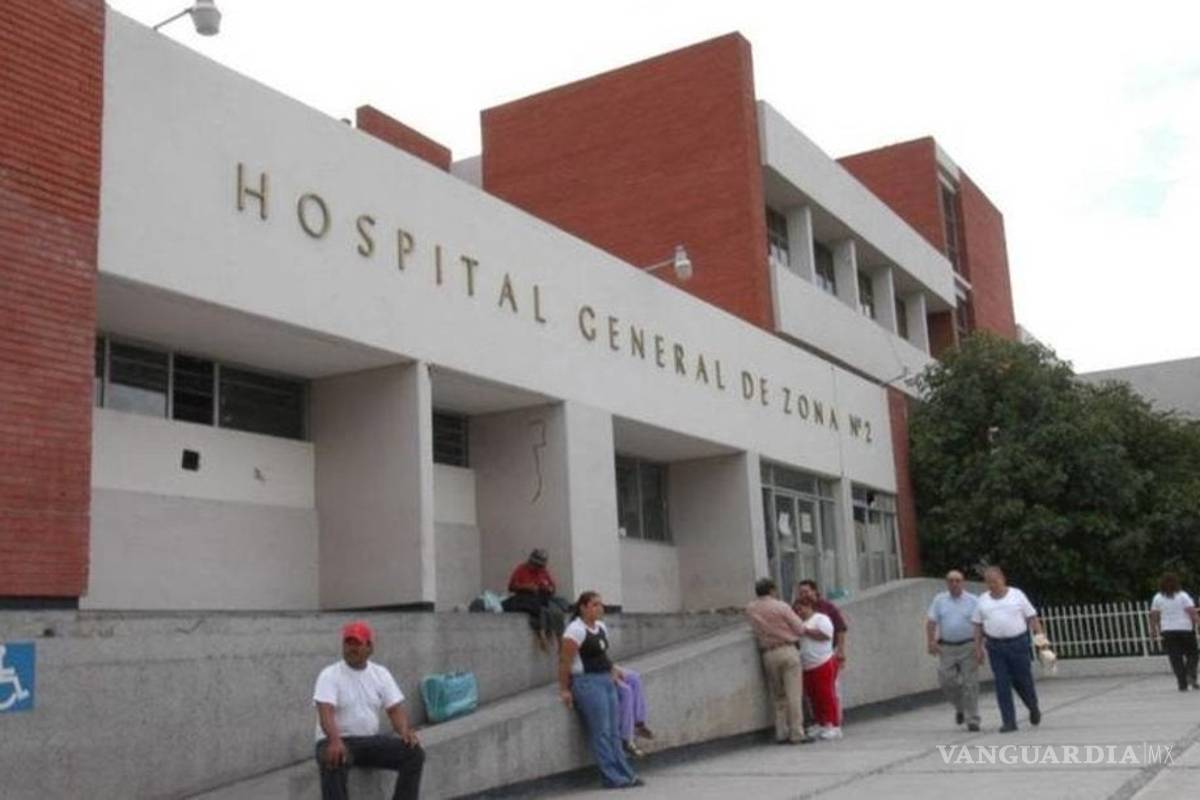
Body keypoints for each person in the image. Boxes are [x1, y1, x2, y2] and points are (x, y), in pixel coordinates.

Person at [312, 621, 425, 800]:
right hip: (336, 740)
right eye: (348, 643)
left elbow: (394, 710)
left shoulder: (380, 674)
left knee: (414, 754)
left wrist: (405, 731)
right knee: (333, 759)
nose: (351, 648)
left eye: (357, 643)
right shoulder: (329, 674)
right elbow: (325, 712)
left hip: (368, 742)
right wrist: (334, 740)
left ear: (370, 647)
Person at [557, 591, 644, 789]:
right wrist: (564, 689)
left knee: (613, 731)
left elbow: (601, 655)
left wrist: (612, 669)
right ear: (583, 607)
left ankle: (626, 773)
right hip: (587, 682)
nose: (600, 608)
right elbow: (564, 662)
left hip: (605, 679)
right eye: (595, 605)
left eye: (601, 604)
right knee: (601, 731)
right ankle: (611, 776)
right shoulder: (575, 630)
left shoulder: (601, 627)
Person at [971, 566, 1048, 733]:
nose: (992, 585)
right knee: (1002, 684)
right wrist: (977, 648)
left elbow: (1032, 619)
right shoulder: (982, 600)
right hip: (995, 646)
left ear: (1003, 579)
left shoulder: (1017, 595)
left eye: (995, 581)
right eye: (988, 582)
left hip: (1017, 644)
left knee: (1023, 681)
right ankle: (1009, 721)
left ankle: (1032, 706)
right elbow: (977, 625)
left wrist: (1041, 642)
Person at [745, 577, 813, 745]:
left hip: (767, 654)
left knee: (778, 696)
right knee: (794, 695)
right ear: (772, 590)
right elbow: (800, 628)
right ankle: (797, 733)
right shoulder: (781, 606)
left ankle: (781, 733)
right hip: (787, 650)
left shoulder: (751, 609)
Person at [925, 570, 981, 731]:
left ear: (963, 582)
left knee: (970, 684)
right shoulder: (940, 600)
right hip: (947, 647)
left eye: (957, 580)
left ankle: (973, 719)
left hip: (968, 645)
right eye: (951, 581)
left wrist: (980, 646)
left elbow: (979, 624)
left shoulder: (973, 600)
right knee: (946, 681)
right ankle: (960, 707)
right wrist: (931, 641)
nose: (954, 584)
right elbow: (931, 621)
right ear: (947, 583)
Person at [794, 596, 842, 739]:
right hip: (807, 665)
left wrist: (806, 631)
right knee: (813, 696)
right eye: (797, 610)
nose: (799, 612)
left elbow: (825, 636)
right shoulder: (801, 623)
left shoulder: (821, 619)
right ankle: (821, 722)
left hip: (822, 661)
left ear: (809, 606)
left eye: (801, 609)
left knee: (826, 694)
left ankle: (833, 725)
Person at [503, 548, 566, 651]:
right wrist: (526, 586)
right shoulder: (521, 569)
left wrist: (548, 588)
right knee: (538, 609)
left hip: (542, 597)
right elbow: (511, 586)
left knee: (557, 610)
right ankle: (541, 633)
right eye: (535, 565)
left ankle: (560, 639)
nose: (537, 568)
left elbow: (552, 588)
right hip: (525, 597)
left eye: (539, 566)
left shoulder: (543, 572)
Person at [1149, 572, 1200, 691]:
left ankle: (1182, 684)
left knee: (1175, 658)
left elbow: (1154, 615)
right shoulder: (1183, 596)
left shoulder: (1158, 597)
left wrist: (1153, 630)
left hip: (1167, 630)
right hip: (1185, 629)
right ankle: (1190, 674)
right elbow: (1192, 612)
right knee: (1193, 654)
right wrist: (1198, 622)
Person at [615, 668, 656, 758]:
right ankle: (626, 738)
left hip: (602, 666)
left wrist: (615, 668)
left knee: (634, 678)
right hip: (592, 670)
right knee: (625, 691)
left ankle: (638, 724)